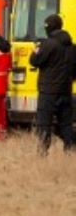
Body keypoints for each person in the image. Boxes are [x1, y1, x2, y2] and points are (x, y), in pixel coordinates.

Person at [27, 14, 75, 153]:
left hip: (48, 92)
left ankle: (42, 152)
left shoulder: (48, 44)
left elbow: (34, 61)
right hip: (66, 91)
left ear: (49, 28)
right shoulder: (72, 47)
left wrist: (36, 50)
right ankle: (70, 151)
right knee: (66, 124)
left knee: (44, 124)